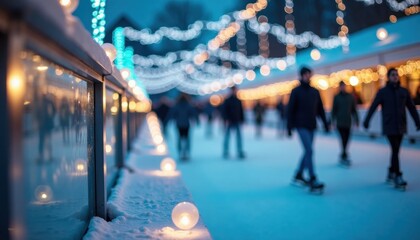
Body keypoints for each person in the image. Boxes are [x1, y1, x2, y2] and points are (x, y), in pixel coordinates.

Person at [363, 68, 420, 188]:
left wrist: (417, 121)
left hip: (400, 126)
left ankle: (391, 172)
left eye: (396, 75)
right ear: (388, 77)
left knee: (396, 151)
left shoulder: (404, 92)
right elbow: (373, 106)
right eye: (393, 75)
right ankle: (398, 175)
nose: (395, 77)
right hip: (389, 126)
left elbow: (411, 107)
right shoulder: (383, 92)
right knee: (395, 150)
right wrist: (367, 120)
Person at [287, 66, 329, 191]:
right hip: (301, 125)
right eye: (305, 74)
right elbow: (290, 110)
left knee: (308, 151)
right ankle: (312, 178)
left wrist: (325, 124)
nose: (308, 76)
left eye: (309, 74)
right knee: (309, 151)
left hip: (311, 125)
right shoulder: (296, 91)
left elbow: (320, 109)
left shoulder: (315, 91)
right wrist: (289, 127)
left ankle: (298, 174)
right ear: (301, 76)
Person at [331, 81, 359, 166]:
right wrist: (332, 121)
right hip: (340, 122)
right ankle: (344, 154)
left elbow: (354, 109)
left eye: (344, 86)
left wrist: (356, 120)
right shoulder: (336, 97)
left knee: (347, 139)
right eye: (341, 86)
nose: (343, 88)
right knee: (343, 138)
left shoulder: (350, 97)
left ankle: (344, 153)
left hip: (348, 122)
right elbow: (334, 110)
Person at [166, 93, 199, 161]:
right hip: (186, 124)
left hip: (179, 124)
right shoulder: (188, 105)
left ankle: (180, 152)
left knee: (179, 138)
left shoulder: (176, 106)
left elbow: (171, 114)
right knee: (187, 139)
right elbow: (194, 113)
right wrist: (197, 121)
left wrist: (167, 121)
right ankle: (187, 152)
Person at [221, 86, 246, 159]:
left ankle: (239, 151)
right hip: (230, 121)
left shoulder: (238, 100)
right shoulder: (228, 100)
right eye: (233, 90)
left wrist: (242, 119)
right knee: (227, 137)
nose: (235, 91)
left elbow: (241, 111)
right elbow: (224, 111)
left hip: (237, 120)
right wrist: (226, 119)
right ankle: (225, 151)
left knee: (239, 137)